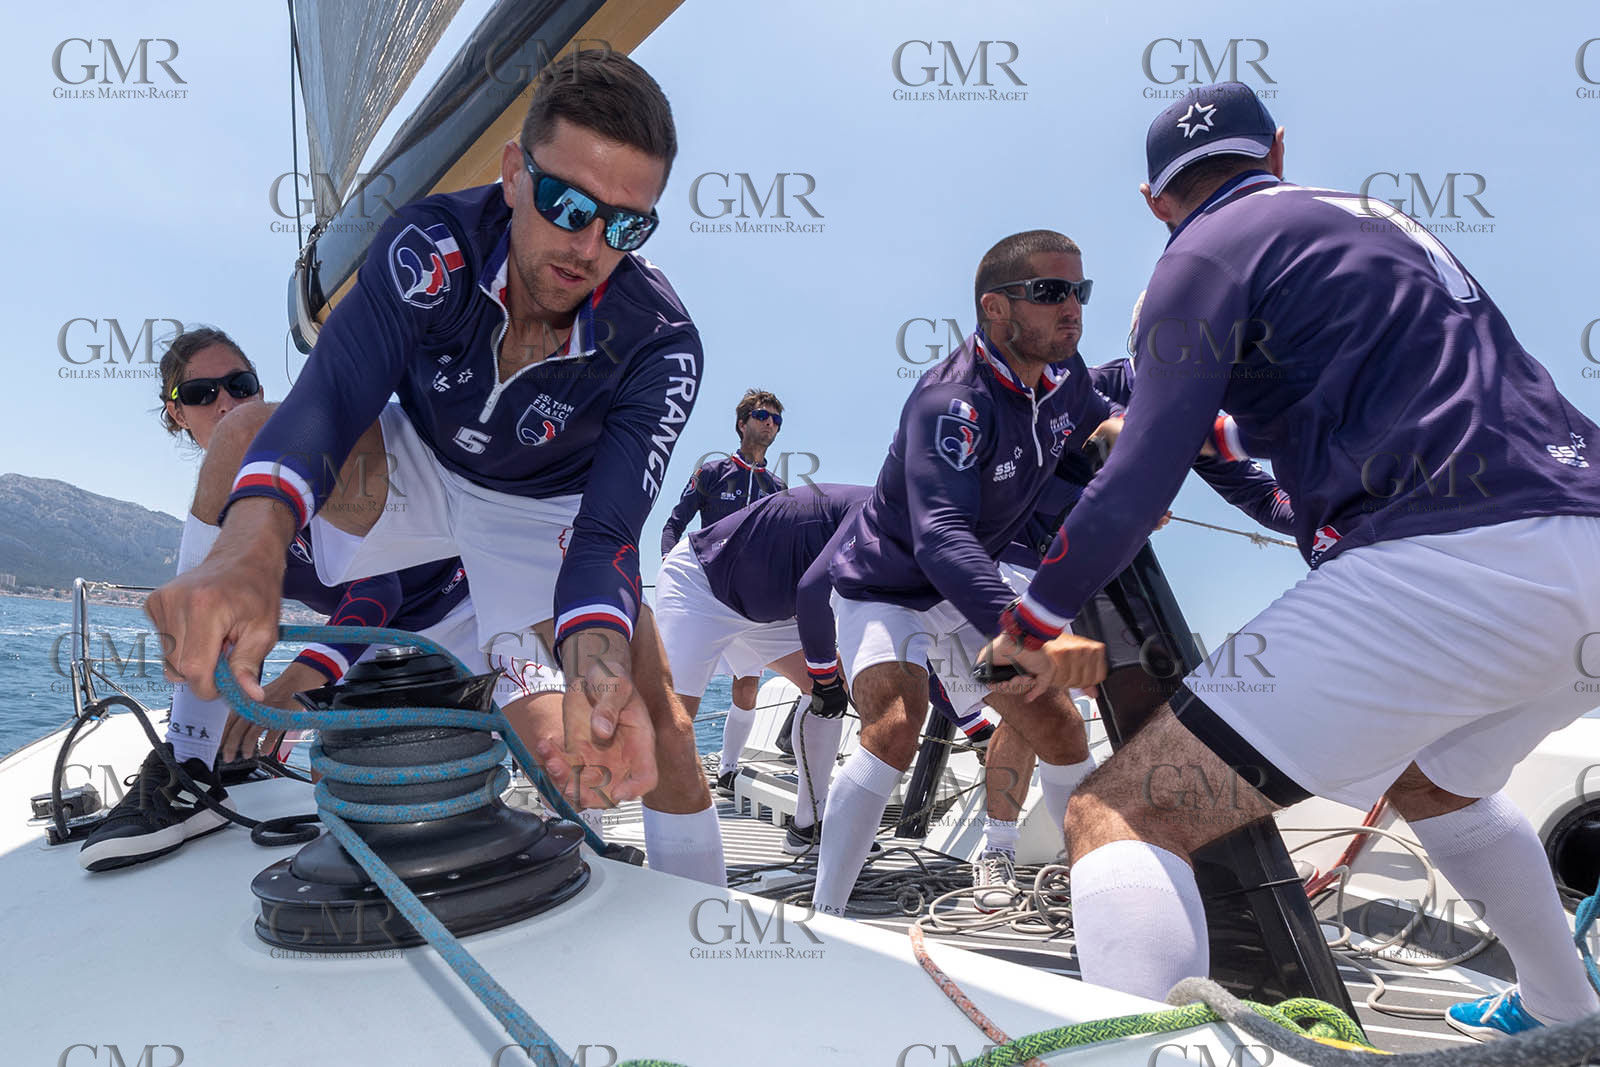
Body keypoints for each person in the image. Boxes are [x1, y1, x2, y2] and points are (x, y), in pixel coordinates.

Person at [984, 82, 1600, 1039]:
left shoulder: (1192, 263)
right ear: (1275, 148)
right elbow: (1351, 414)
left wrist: (1029, 625)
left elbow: (1139, 480)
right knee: (1438, 780)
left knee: (1126, 812)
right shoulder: (1380, 224)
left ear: (1155, 201)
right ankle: (1567, 1012)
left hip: (1453, 565)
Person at [145, 51, 727, 886]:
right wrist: (252, 548)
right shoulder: (433, 243)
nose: (591, 246)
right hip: (417, 460)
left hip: (542, 510)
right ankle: (191, 760)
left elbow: (605, 535)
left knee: (644, 719)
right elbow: (333, 397)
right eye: (569, 205)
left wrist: (597, 668)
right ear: (514, 174)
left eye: (627, 226)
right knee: (244, 428)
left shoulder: (662, 343)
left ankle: (699, 924)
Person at [80, 327, 481, 872]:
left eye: (239, 386)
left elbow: (377, 587)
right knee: (346, 787)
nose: (226, 403)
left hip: (465, 610)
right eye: (201, 394)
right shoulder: (219, 517)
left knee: (545, 753)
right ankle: (192, 767)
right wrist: (232, 710)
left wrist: (295, 684)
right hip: (378, 645)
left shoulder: (306, 461)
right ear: (177, 414)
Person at [803, 230, 1113, 917]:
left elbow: (1097, 422)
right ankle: (825, 918)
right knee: (895, 722)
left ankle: (1101, 902)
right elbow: (940, 535)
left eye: (1080, 290)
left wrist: (1121, 450)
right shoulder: (951, 402)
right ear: (995, 310)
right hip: (885, 590)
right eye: (1052, 292)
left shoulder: (1068, 376)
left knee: (1058, 725)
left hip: (956, 594)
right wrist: (1028, 631)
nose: (1074, 307)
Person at [655, 482, 868, 853]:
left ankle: (809, 824)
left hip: (772, 611)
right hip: (700, 586)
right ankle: (629, 832)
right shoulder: (873, 510)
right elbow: (813, 590)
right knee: (672, 722)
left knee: (831, 684)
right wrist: (823, 672)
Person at [660, 389, 789, 795]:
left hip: (749, 603)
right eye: (761, 414)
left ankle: (728, 770)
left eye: (776, 419)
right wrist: (667, 565)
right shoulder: (713, 472)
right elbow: (675, 521)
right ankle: (671, 774)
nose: (769, 422)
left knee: (747, 684)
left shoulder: (777, 486)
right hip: (703, 597)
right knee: (680, 687)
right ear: (742, 423)